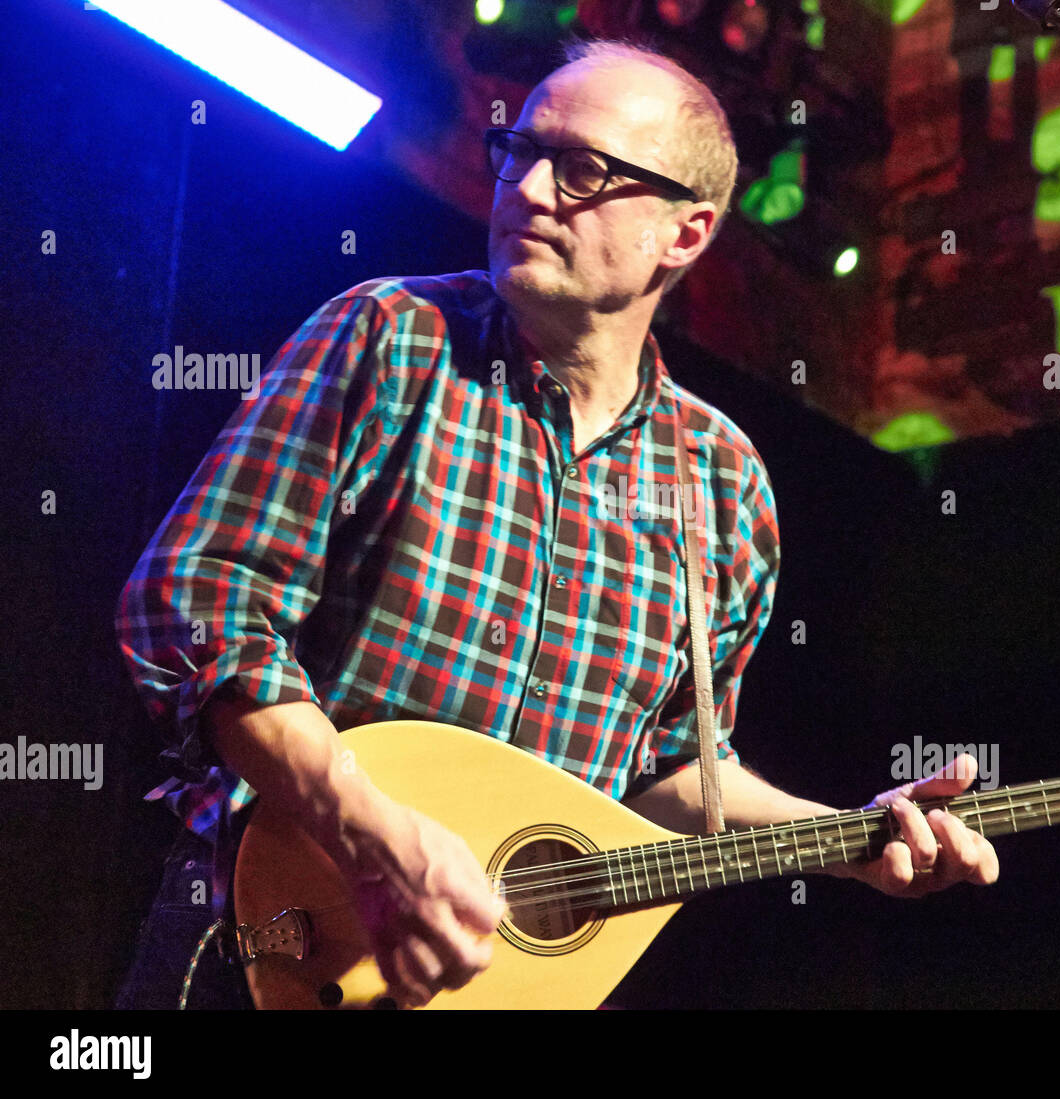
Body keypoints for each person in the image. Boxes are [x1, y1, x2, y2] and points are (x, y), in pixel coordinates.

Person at [114, 37, 998, 1011]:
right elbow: (198, 604)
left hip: (492, 987)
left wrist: (848, 841)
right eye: (520, 152)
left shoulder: (723, 483)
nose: (529, 188)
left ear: (686, 232)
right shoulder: (391, 338)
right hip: (271, 939)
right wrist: (371, 834)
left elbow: (668, 770)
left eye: (581, 171)